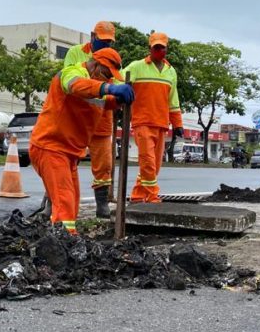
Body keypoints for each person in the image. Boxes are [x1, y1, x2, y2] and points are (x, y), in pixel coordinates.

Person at [29, 47, 134, 234]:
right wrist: (108, 88)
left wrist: (118, 99)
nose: (108, 79)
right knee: (65, 204)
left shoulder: (97, 85)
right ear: (95, 65)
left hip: (69, 152)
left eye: (111, 76)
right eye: (106, 73)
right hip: (50, 147)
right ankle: (61, 248)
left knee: (72, 203)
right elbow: (77, 86)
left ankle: (63, 242)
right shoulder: (72, 72)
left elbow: (103, 100)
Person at [62, 21, 118, 218]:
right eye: (102, 41)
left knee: (104, 164)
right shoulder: (76, 53)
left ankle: (102, 204)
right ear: (92, 36)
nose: (105, 45)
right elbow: (70, 83)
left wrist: (118, 95)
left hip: (101, 119)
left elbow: (115, 83)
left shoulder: (111, 57)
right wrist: (103, 88)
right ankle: (53, 201)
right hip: (77, 118)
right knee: (65, 161)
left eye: (109, 42)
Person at [123, 32, 184, 203]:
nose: (158, 50)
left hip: (161, 123)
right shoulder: (136, 66)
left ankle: (137, 195)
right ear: (149, 48)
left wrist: (177, 124)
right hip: (142, 122)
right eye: (155, 47)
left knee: (155, 165)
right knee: (148, 161)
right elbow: (119, 80)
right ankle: (152, 195)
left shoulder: (171, 71)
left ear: (166, 48)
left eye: (161, 47)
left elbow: (173, 100)